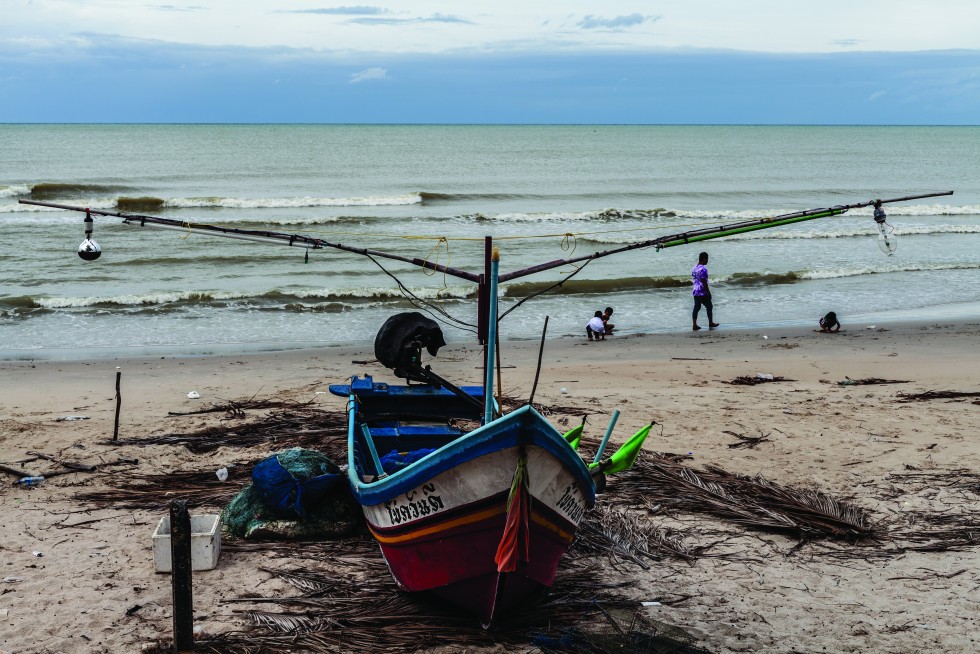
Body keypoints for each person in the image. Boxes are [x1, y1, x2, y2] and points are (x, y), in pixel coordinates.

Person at [691, 252, 719, 331]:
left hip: (695, 291)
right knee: (709, 306)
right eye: (707, 259)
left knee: (696, 307)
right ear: (703, 259)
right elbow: (704, 282)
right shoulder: (703, 269)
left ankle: (694, 325)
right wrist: (708, 292)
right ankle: (710, 322)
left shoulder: (694, 268)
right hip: (702, 291)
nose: (707, 261)